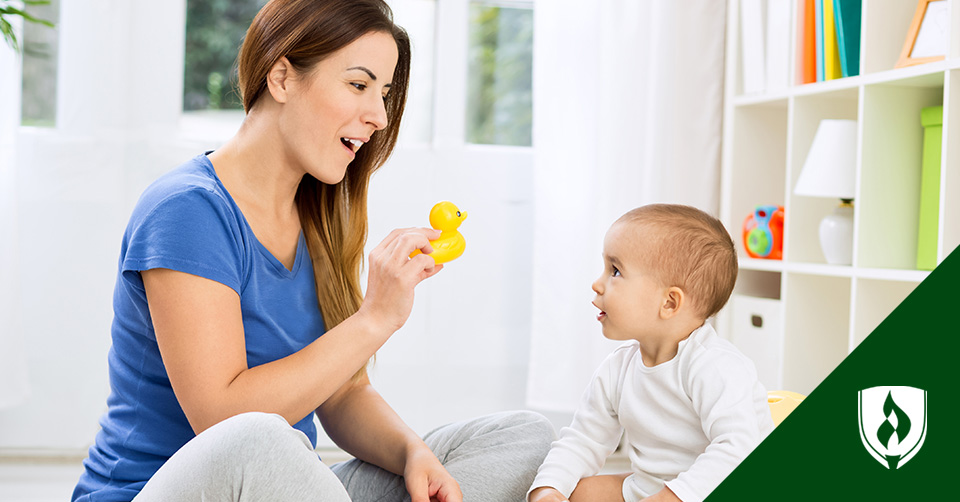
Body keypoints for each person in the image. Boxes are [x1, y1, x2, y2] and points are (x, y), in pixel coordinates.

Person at [71, 1, 554, 501]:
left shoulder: (320, 214)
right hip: (159, 490)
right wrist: (373, 319)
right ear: (282, 78)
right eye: (359, 85)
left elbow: (343, 391)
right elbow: (224, 421)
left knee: (524, 439)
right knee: (262, 440)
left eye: (384, 94)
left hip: (283, 482)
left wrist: (413, 454)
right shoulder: (187, 211)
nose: (380, 117)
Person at [527, 204, 774, 502]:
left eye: (615, 271)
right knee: (576, 491)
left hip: (720, 490)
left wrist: (671, 497)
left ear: (669, 303)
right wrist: (548, 490)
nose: (597, 283)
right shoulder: (617, 369)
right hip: (648, 488)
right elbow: (582, 440)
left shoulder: (716, 366)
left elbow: (737, 448)